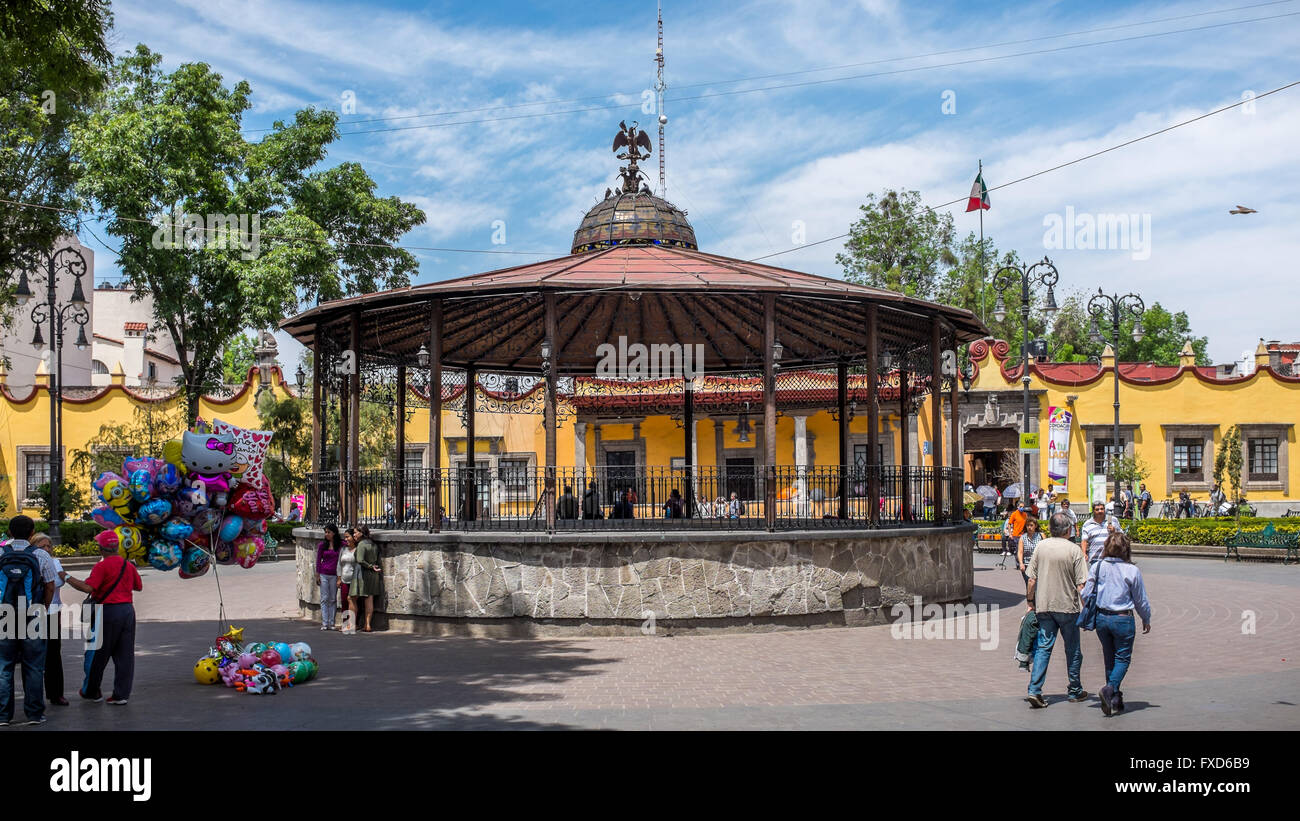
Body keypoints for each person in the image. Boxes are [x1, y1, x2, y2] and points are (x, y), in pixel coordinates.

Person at [64, 530, 142, 707]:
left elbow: (88, 588)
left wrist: (67, 577)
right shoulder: (128, 565)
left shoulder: (102, 566)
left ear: (101, 549)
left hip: (107, 612)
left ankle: (91, 691)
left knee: (97, 653)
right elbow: (138, 586)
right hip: (127, 611)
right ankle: (120, 695)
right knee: (125, 656)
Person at [1025, 512, 1090, 708]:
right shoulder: (1074, 550)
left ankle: (1034, 690)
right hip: (1067, 607)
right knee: (1073, 649)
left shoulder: (1040, 546)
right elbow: (1081, 585)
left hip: (1044, 605)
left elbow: (1031, 579)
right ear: (1068, 529)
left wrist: (1030, 602)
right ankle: (1075, 689)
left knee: (1044, 648)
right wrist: (1087, 608)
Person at [0, 516, 56, 725]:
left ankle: (3, 715)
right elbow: (50, 585)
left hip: (4, 615)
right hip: (33, 614)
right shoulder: (41, 554)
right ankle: (34, 713)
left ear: (10, 532)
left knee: (3, 666)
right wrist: (44, 607)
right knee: (33, 666)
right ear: (32, 533)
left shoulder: (0, 553)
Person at [1089, 532, 1152, 716]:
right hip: (1123, 618)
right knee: (1123, 658)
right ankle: (1109, 690)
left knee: (1110, 657)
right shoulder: (1131, 570)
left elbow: (1086, 593)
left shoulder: (1098, 567)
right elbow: (1140, 600)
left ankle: (1115, 698)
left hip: (1102, 618)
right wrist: (1145, 618)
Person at [29, 533, 69, 706]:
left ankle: (56, 693)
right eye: (42, 546)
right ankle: (33, 697)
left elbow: (57, 583)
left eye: (48, 546)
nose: (46, 549)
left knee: (53, 653)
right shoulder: (29, 562)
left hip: (52, 612)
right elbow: (53, 582)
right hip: (34, 613)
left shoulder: (55, 561)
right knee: (33, 655)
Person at [349, 525, 381, 632]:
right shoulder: (373, 544)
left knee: (352, 598)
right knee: (369, 599)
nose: (354, 535)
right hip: (373, 575)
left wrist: (370, 566)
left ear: (361, 533)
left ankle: (352, 624)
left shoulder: (362, 544)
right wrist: (374, 567)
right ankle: (367, 625)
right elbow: (377, 560)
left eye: (355, 533)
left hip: (361, 574)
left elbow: (360, 560)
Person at [314, 524, 342, 631]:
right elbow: (318, 560)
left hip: (335, 574)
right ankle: (325, 622)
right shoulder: (322, 545)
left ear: (334, 533)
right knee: (324, 598)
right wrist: (317, 574)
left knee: (333, 598)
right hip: (324, 574)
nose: (326, 534)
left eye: (328, 532)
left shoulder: (340, 545)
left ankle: (332, 622)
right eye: (325, 532)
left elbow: (349, 544)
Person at [337, 530, 357, 631]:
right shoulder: (343, 549)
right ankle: (345, 623)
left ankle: (352, 624)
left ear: (353, 537)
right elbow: (339, 565)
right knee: (344, 602)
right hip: (344, 579)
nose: (346, 539)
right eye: (345, 537)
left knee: (353, 602)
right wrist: (339, 578)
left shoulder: (358, 550)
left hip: (354, 580)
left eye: (348, 537)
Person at [1017, 516, 1043, 587]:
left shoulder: (1041, 536)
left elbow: (1045, 550)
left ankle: (1036, 598)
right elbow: (1020, 552)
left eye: (1031, 525)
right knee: (1029, 585)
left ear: (1035, 526)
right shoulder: (1023, 537)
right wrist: (1021, 563)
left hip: (1039, 565)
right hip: (1027, 565)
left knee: (1038, 586)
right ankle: (1030, 598)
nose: (1029, 527)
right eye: (1027, 525)